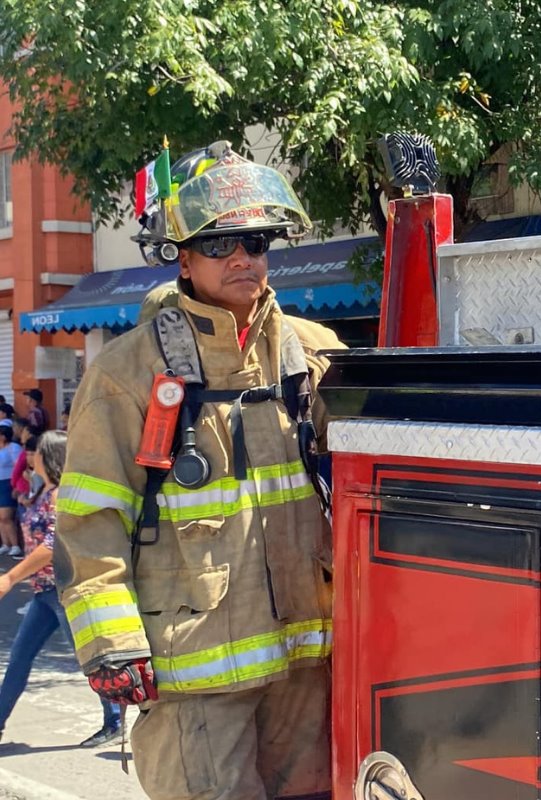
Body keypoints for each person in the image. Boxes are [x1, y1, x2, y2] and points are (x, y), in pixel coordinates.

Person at [55, 140, 344, 800]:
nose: (242, 257)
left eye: (257, 241)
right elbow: (90, 524)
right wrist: (112, 643)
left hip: (307, 665)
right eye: (219, 244)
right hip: (194, 677)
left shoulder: (315, 357)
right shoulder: (127, 375)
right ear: (182, 258)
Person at [0, 432, 122, 747]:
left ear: (50, 457)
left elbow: (52, 545)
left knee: (89, 659)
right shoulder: (47, 490)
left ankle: (116, 720)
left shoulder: (62, 495)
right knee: (19, 658)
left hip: (63, 590)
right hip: (44, 593)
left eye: (37, 452)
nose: (31, 456)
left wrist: (11, 577)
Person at [0, 428, 22, 557]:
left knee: (6, 516)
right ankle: (5, 544)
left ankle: (15, 545)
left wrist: (16, 485)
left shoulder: (13, 447)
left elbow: (18, 466)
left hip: (8, 484)